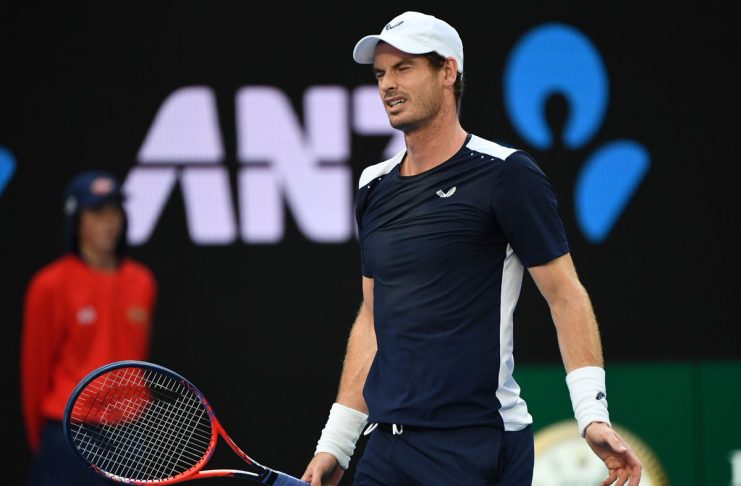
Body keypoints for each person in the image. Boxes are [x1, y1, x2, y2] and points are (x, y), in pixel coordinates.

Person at [301, 11, 642, 486]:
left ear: (448, 71)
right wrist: (337, 442)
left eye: (403, 68)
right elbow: (374, 317)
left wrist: (592, 414)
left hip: (476, 444)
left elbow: (566, 294)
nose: (387, 85)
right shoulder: (373, 186)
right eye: (380, 74)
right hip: (386, 449)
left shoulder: (506, 174)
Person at [21, 170, 158, 485]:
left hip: (131, 433)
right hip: (71, 431)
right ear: (76, 220)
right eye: (97, 212)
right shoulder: (49, 284)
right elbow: (34, 370)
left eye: (115, 211)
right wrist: (41, 440)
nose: (109, 222)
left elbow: (138, 358)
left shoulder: (143, 282)